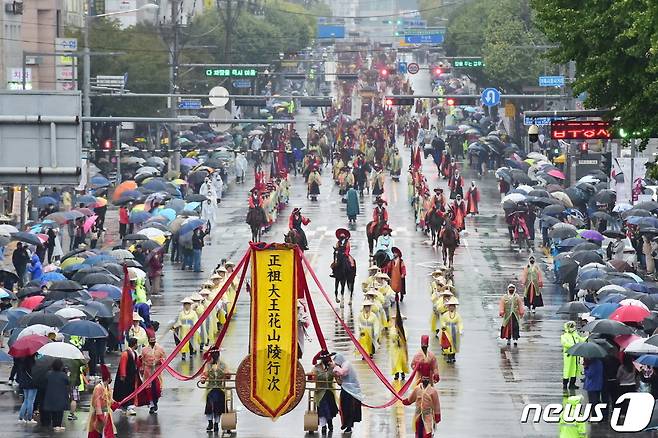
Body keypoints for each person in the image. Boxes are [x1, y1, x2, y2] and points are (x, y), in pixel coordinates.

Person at [200, 347, 229, 432]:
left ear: (219, 355)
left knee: (218, 407)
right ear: (211, 355)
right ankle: (210, 422)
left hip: (220, 388)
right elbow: (204, 374)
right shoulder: (208, 365)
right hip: (211, 389)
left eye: (217, 354)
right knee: (209, 406)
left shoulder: (223, 365)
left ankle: (216, 423)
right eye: (213, 354)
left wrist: (223, 373)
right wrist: (203, 379)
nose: (215, 356)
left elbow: (228, 375)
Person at [332, 353, 362, 433]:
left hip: (351, 391)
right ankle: (346, 424)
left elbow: (342, 373)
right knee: (344, 407)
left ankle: (349, 426)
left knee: (350, 408)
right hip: (346, 389)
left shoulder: (346, 365)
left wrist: (335, 368)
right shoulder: (343, 365)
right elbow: (340, 381)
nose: (337, 364)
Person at [310, 350, 338, 434]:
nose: (327, 359)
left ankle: (330, 423)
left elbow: (337, 376)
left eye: (327, 357)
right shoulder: (316, 367)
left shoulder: (332, 367)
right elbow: (312, 377)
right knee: (322, 409)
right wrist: (310, 377)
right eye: (325, 358)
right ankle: (323, 426)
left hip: (330, 391)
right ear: (321, 359)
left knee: (330, 408)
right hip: (320, 392)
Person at [113, 337, 141, 415]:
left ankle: (128, 405)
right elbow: (123, 365)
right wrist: (123, 375)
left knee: (131, 390)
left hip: (132, 376)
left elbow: (137, 363)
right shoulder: (125, 353)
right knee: (125, 391)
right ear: (134, 344)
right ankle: (126, 405)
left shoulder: (134, 353)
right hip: (126, 377)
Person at [86, 364, 116, 438]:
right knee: (97, 433)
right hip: (99, 415)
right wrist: (100, 415)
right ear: (108, 378)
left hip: (106, 414)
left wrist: (115, 404)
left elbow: (109, 400)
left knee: (107, 434)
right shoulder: (98, 388)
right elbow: (97, 404)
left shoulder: (107, 387)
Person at [140, 329, 165, 414]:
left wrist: (159, 362)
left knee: (157, 389)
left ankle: (155, 402)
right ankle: (151, 405)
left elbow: (164, 359)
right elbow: (142, 361)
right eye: (151, 341)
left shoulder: (160, 349)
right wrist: (142, 369)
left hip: (157, 372)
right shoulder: (144, 350)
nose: (152, 342)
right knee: (149, 389)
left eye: (154, 340)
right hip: (148, 372)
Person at [42, 358, 70, 431]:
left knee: (53, 410)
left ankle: (54, 424)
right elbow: (68, 382)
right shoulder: (63, 375)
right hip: (60, 395)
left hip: (50, 395)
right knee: (60, 411)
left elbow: (45, 382)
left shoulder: (48, 374)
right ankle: (58, 425)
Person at [561, 321, 584, 390]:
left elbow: (581, 340)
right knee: (567, 370)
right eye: (571, 326)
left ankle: (572, 384)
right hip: (568, 355)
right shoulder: (564, 336)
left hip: (575, 355)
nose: (573, 328)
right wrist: (575, 346)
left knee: (575, 369)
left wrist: (587, 337)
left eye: (573, 326)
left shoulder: (575, 335)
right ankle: (565, 384)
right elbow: (565, 344)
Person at [440, 297, 463, 363]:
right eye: (450, 306)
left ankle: (453, 357)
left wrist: (460, 329)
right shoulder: (445, 314)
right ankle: (449, 357)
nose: (451, 308)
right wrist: (443, 326)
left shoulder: (457, 315)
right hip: (447, 331)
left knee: (454, 344)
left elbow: (460, 322)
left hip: (455, 331)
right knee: (448, 344)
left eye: (453, 306)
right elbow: (442, 321)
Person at [17, 355, 38, 424]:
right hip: (32, 383)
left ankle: (21, 417)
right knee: (30, 401)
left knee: (26, 400)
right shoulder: (32, 362)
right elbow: (34, 372)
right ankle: (29, 418)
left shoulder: (23, 360)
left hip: (24, 383)